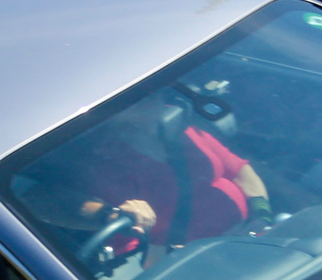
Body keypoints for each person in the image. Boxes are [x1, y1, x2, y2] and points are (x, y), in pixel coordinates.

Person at [60, 94, 271, 267]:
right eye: (140, 100)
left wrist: (261, 215)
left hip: (252, 236)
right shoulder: (109, 167)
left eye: (153, 94)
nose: (156, 101)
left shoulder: (184, 130)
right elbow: (139, 251)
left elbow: (241, 171)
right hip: (201, 264)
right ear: (115, 116)